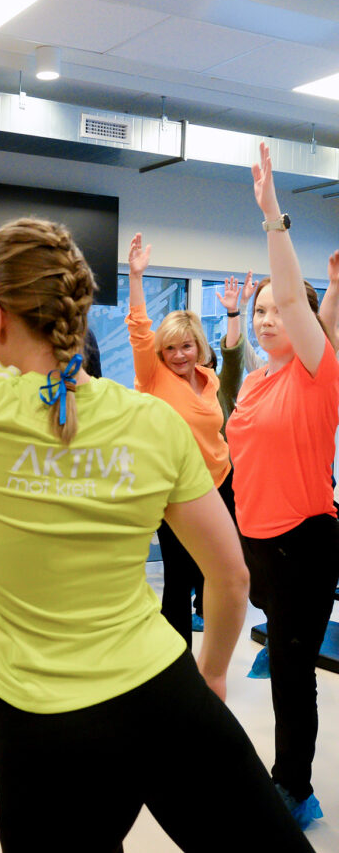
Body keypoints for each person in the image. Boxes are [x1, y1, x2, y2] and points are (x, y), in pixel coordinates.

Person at [0, 6, 312, 851]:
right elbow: (228, 582)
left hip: (40, 727)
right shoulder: (152, 422)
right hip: (159, 694)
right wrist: (215, 669)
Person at [226, 142, 339, 829]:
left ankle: (293, 786)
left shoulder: (316, 373)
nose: (269, 317)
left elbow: (299, 299)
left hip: (305, 540)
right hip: (257, 541)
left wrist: (273, 217)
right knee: (280, 654)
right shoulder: (260, 380)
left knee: (293, 678)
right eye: (259, 310)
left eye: (278, 310)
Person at [126, 243, 242, 648]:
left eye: (186, 346)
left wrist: (233, 314)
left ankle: (211, 651)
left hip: (220, 483)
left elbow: (234, 361)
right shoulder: (154, 377)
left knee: (217, 572)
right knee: (178, 577)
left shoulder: (209, 379)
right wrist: (137, 278)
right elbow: (140, 331)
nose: (178, 355)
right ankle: (177, 663)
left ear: (198, 347)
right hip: (175, 491)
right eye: (170, 347)